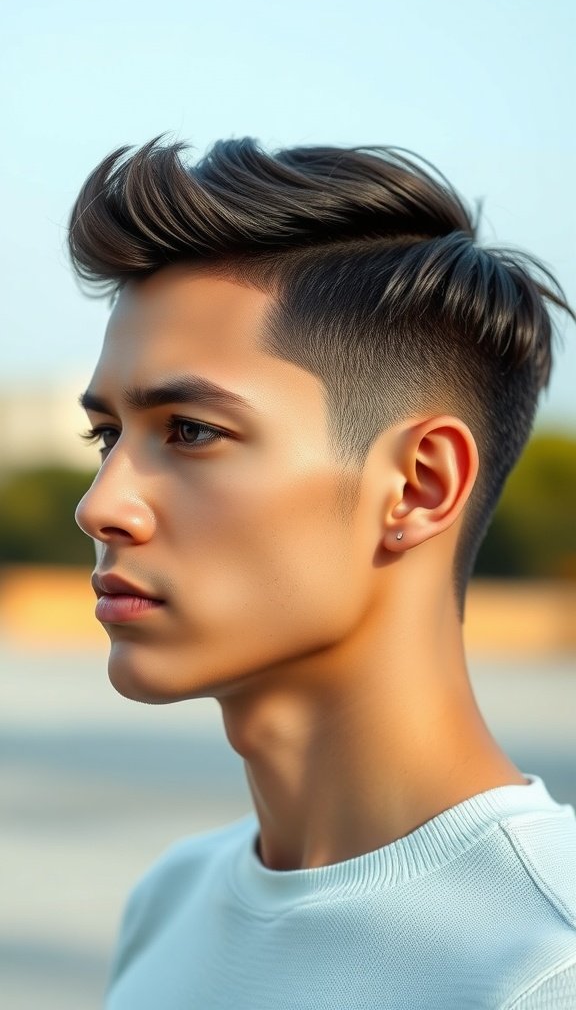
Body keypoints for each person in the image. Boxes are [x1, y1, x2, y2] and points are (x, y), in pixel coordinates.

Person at [70, 137, 576, 1009]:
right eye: (107, 435)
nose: (101, 505)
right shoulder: (170, 903)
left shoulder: (541, 967)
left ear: (419, 487)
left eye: (189, 429)